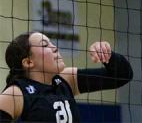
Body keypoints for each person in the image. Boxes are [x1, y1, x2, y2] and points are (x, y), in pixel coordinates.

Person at [0, 32, 133, 122]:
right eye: (45, 45)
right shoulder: (16, 93)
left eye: (51, 42)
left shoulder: (66, 79)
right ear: (29, 62)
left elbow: (122, 76)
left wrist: (109, 56)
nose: (55, 48)